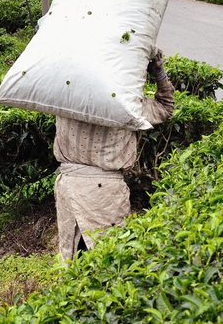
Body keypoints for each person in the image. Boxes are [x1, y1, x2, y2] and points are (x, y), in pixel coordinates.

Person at [53, 48, 175, 260]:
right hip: (105, 192)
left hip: (69, 187)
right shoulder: (127, 102)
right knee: (110, 261)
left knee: (73, 261)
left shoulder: (64, 93)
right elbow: (166, 108)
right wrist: (159, 72)